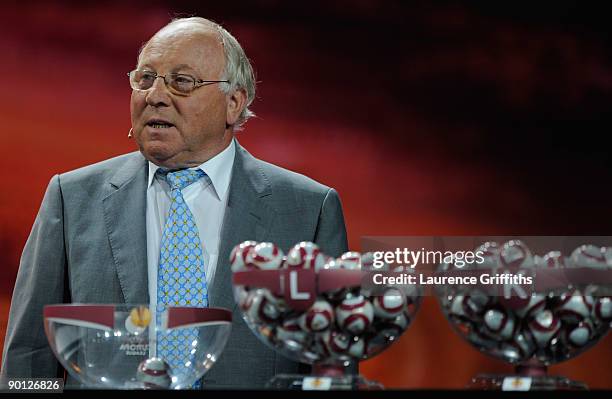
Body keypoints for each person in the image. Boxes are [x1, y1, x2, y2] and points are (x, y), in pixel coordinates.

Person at [1, 16, 348, 389]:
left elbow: (331, 365)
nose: (155, 95)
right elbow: (29, 360)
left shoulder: (308, 210)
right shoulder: (71, 198)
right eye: (145, 79)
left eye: (182, 82)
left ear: (233, 103)